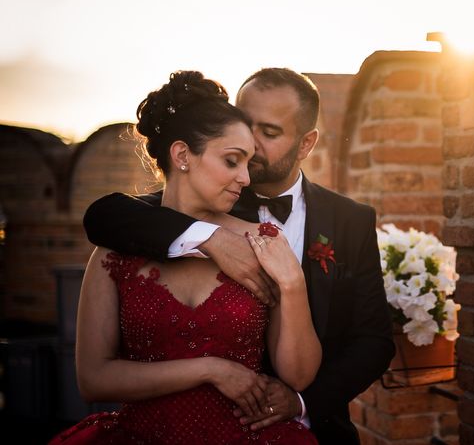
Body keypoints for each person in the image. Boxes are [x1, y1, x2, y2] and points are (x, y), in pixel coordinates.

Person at [82, 68, 395, 444]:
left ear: (306, 143)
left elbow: (374, 340)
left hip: (309, 426)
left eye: (270, 132)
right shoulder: (203, 198)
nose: (253, 144)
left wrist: (301, 402)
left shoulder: (351, 220)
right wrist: (210, 237)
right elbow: (104, 216)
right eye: (246, 126)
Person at [52, 71, 320, 444]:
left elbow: (298, 377)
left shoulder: (262, 243)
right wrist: (210, 370)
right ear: (182, 155)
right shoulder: (115, 248)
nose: (246, 178)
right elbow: (92, 379)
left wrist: (292, 285)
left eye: (248, 163)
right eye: (232, 161)